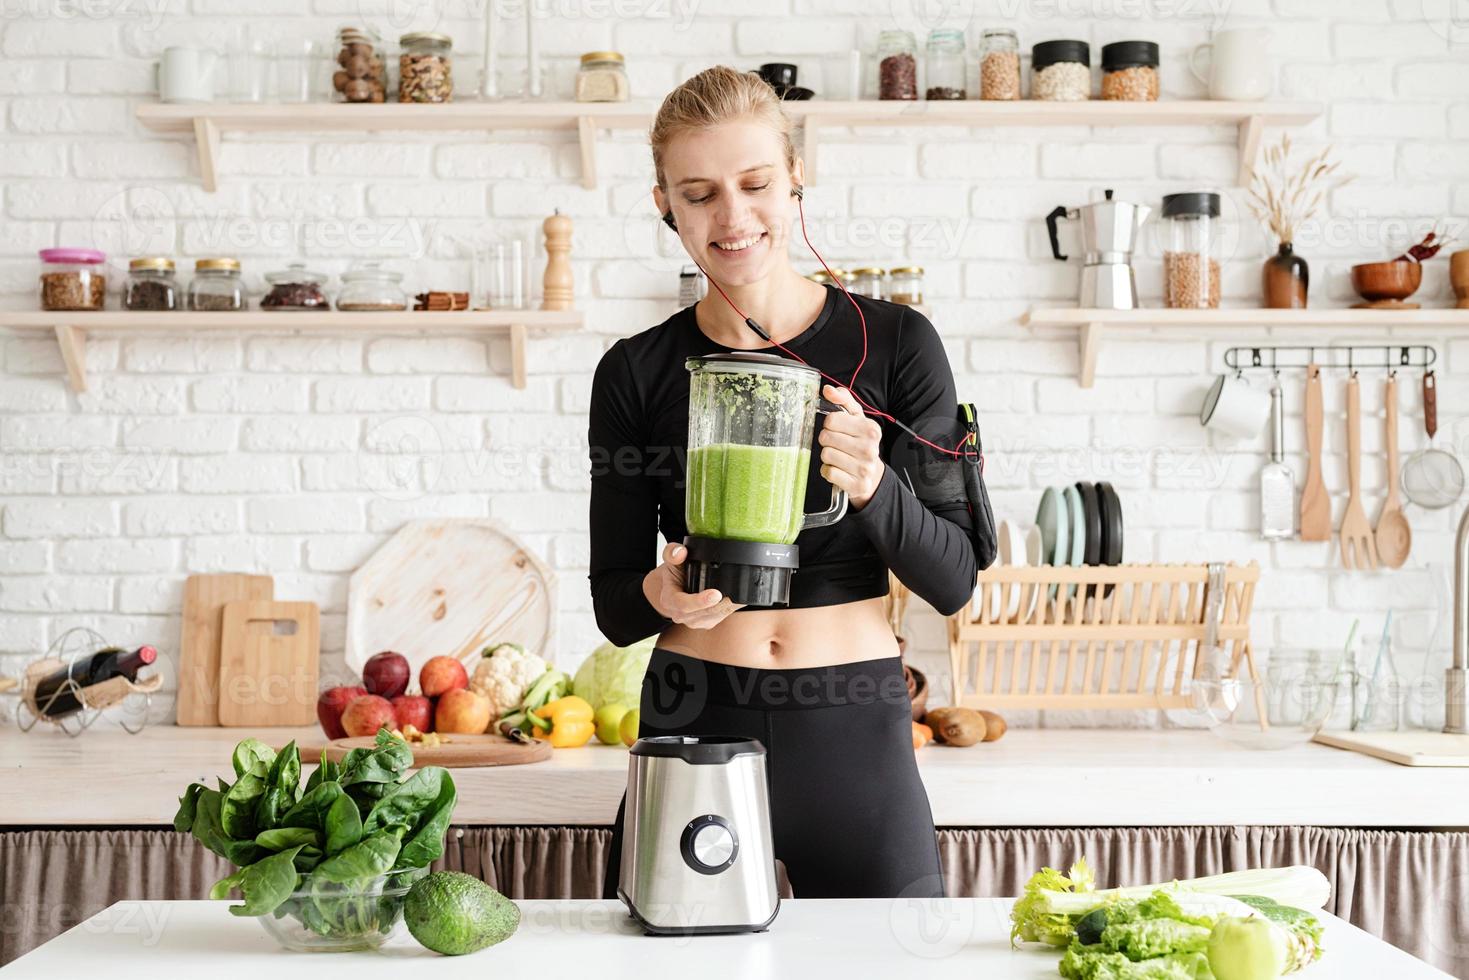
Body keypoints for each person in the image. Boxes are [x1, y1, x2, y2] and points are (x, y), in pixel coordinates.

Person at [589, 65, 983, 903]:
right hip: (691, 715)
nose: (731, 217)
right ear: (664, 203)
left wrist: (876, 482)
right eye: (698, 194)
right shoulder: (634, 371)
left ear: (795, 176)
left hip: (854, 730)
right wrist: (660, 590)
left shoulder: (900, 343)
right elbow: (613, 604)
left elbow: (952, 581)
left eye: (755, 183)